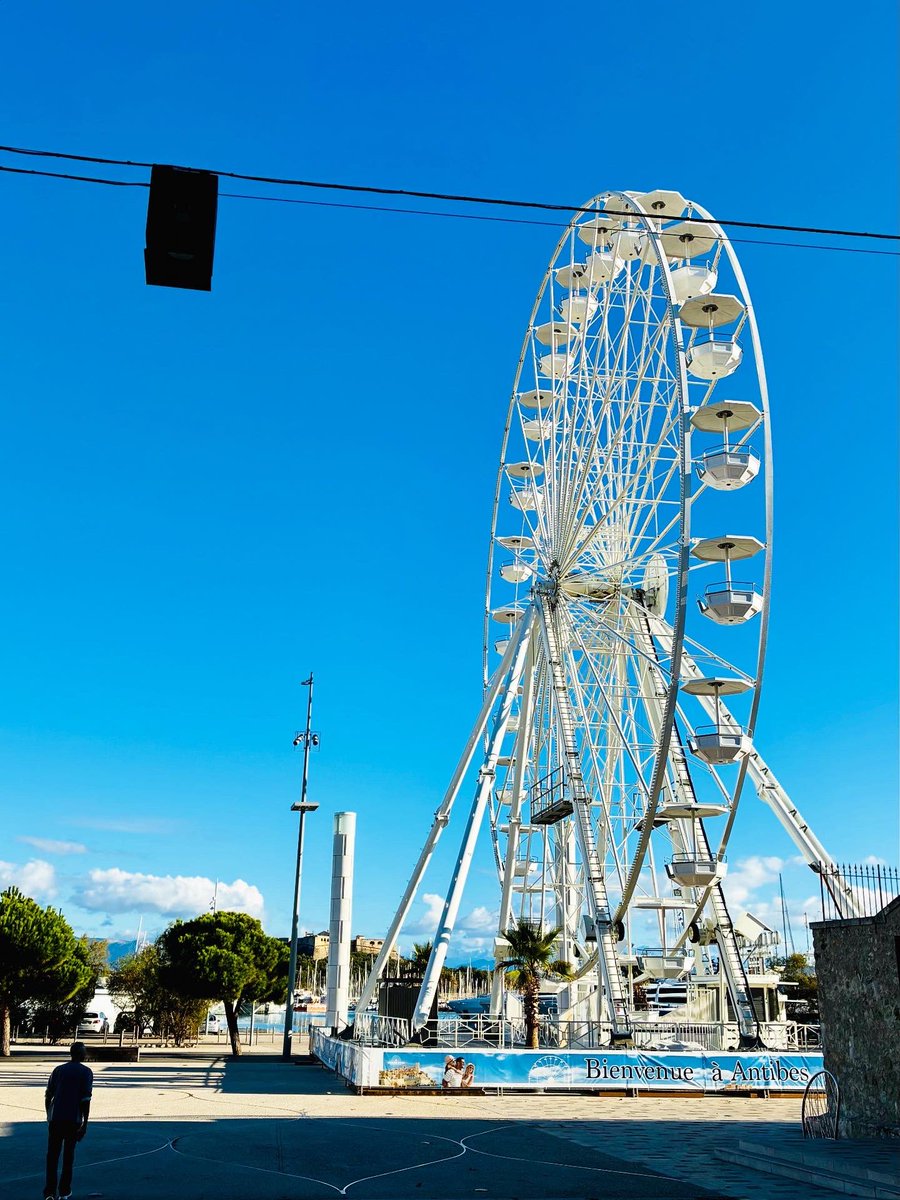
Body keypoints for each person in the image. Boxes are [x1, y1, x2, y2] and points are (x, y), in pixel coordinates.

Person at [44, 1041, 93, 1200]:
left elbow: (48, 1095)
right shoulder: (86, 1072)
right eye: (84, 1052)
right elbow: (85, 1100)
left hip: (56, 1119)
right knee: (68, 1157)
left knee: (52, 1156)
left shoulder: (58, 1070)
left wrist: (48, 1115)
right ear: (81, 1055)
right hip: (73, 1119)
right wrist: (85, 1124)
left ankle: (49, 1192)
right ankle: (64, 1191)